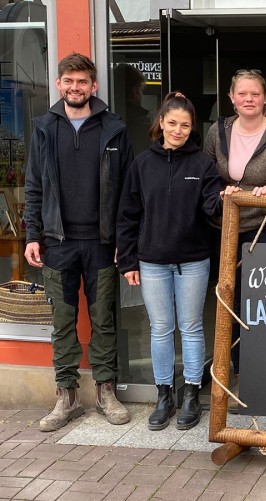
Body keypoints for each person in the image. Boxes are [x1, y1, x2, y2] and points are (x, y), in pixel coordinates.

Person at [23, 53, 134, 432]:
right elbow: (34, 186)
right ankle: (65, 397)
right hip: (57, 243)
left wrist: (124, 238)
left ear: (94, 85)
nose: (75, 87)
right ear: (59, 84)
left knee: (104, 320)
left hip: (101, 243)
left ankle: (106, 392)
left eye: (82, 81)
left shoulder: (114, 129)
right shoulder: (43, 128)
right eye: (68, 81)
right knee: (62, 322)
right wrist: (32, 235)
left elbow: (126, 192)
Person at [117, 92, 223, 431]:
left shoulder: (203, 165)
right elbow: (128, 215)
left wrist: (224, 199)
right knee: (160, 329)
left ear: (193, 129)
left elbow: (212, 208)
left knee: (191, 328)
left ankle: (191, 393)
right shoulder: (142, 165)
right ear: (160, 122)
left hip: (193, 260)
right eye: (173, 123)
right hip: (152, 262)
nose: (178, 130)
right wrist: (129, 261)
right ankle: (164, 395)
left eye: (185, 125)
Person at [205, 69, 266, 384]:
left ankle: (264, 375)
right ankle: (237, 372)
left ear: (265, 98)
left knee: (260, 304)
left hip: (264, 229)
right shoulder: (216, 132)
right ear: (231, 98)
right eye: (242, 93)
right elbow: (206, 177)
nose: (248, 99)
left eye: (255, 94)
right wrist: (220, 191)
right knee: (227, 301)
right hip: (224, 229)